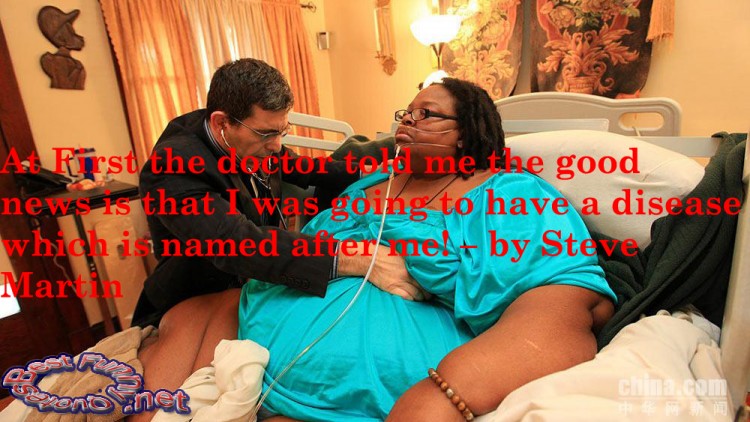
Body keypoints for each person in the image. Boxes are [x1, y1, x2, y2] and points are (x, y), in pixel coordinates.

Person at [136, 78, 616, 421]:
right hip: (266, 328)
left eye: (426, 113)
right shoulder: (372, 183)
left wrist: (448, 392)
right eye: (406, 112)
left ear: (468, 130)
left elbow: (564, 299)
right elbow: (247, 243)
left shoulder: (507, 193)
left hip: (385, 373)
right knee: (183, 317)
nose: (407, 120)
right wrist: (353, 254)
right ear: (223, 124)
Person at [132, 58, 423, 328]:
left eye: (282, 131)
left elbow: (303, 167)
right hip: (195, 299)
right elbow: (237, 243)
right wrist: (357, 258)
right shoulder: (171, 167)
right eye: (266, 134)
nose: (276, 146)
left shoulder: (249, 138)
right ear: (222, 123)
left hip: (256, 287)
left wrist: (367, 171)